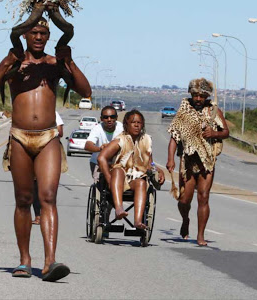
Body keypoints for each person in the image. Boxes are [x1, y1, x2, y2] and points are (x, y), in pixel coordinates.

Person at [0, 14, 91, 281]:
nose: (39, 37)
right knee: (23, 200)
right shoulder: (16, 64)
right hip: (19, 137)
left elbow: (85, 91)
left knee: (48, 198)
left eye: (44, 33)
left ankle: (50, 262)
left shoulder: (55, 64)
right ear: (24, 36)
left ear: (49, 36)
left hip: (48, 138)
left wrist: (69, 62)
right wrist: (6, 63)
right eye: (34, 33)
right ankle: (24, 260)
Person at [166, 78, 229, 246]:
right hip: (187, 161)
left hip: (207, 161)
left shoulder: (213, 111)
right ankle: (185, 219)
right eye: (195, 95)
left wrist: (214, 134)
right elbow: (174, 137)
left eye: (202, 96)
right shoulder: (183, 112)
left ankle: (200, 235)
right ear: (191, 95)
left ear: (206, 96)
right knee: (184, 200)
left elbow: (225, 132)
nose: (198, 99)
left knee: (203, 196)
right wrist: (170, 159)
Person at [98, 110, 165, 230]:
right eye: (133, 122)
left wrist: (159, 171)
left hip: (134, 178)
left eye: (139, 122)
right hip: (118, 179)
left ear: (143, 125)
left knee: (141, 182)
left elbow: (150, 163)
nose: (136, 125)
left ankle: (138, 221)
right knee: (118, 171)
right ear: (126, 125)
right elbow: (102, 158)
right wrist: (108, 178)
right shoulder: (120, 140)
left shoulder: (146, 140)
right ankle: (119, 208)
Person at [32, 111, 64, 225]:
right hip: (34, 151)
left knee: (44, 187)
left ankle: (43, 215)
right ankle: (39, 216)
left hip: (48, 152)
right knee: (35, 187)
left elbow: (60, 132)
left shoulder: (53, 112)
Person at [84, 106, 124, 179]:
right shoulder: (97, 129)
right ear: (101, 119)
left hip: (117, 163)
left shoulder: (122, 128)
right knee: (100, 185)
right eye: (106, 117)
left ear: (116, 118)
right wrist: (100, 148)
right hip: (97, 163)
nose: (109, 120)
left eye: (112, 117)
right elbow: (87, 145)